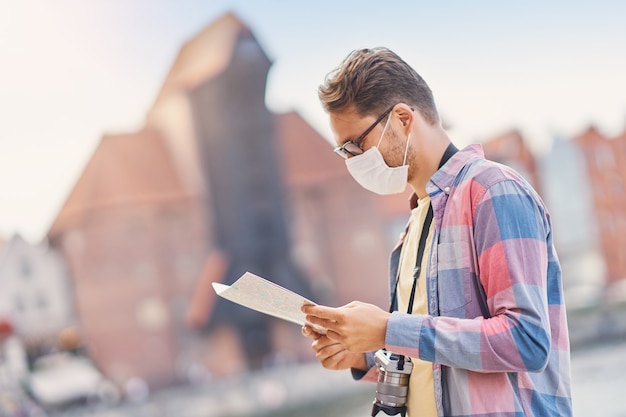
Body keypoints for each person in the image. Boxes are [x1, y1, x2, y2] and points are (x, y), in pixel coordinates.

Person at [301, 47, 572, 417]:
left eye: (355, 145)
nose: (351, 160)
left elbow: (526, 341)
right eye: (343, 152)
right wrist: (363, 354)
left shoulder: (493, 191)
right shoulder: (412, 227)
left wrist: (388, 329)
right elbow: (436, 362)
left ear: (401, 118)